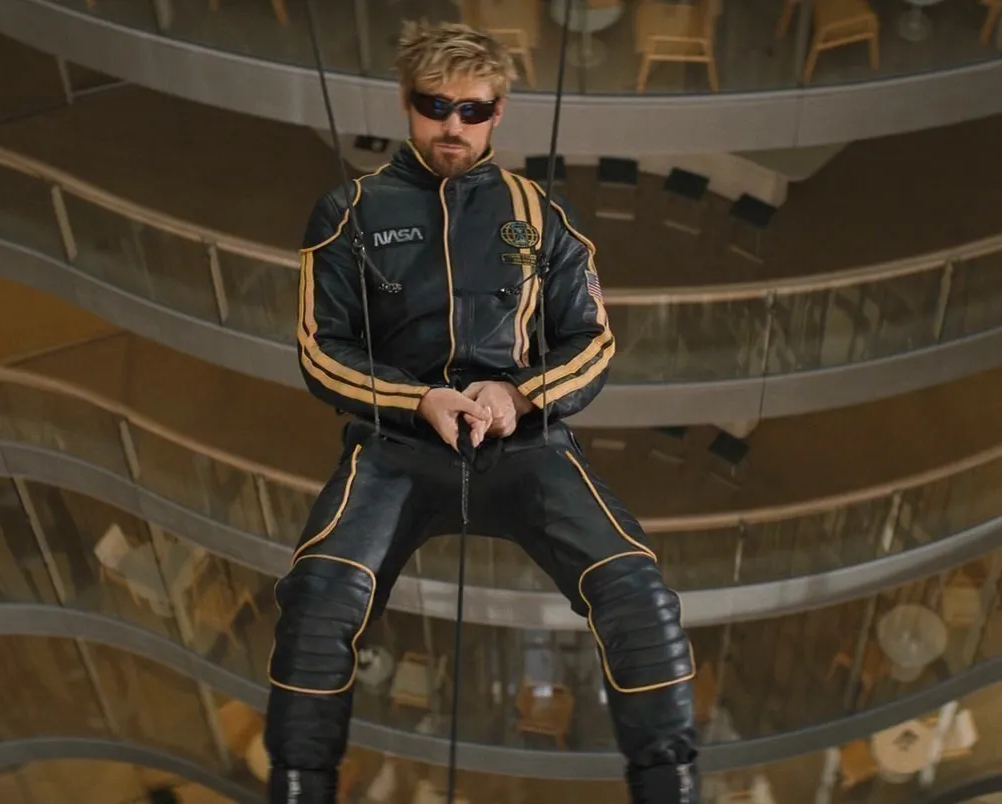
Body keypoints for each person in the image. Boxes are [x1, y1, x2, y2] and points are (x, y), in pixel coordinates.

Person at [263, 20, 700, 804]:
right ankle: (299, 786)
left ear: (498, 113)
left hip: (523, 445)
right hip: (395, 445)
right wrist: (419, 399)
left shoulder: (543, 213)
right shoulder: (348, 210)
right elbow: (321, 349)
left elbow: (593, 342)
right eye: (435, 106)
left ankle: (672, 786)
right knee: (319, 598)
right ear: (407, 103)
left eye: (472, 109)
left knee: (637, 591)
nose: (452, 126)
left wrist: (517, 394)